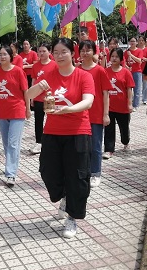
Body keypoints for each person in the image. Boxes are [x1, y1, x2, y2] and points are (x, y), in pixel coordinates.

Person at [26, 37, 95, 239]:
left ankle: (72, 217)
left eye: (63, 51)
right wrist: (39, 87)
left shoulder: (83, 76)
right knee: (48, 171)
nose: (59, 55)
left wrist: (69, 110)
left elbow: (88, 101)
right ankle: (64, 196)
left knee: (78, 177)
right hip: (52, 133)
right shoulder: (49, 75)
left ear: (72, 53)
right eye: (55, 52)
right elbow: (29, 94)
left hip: (78, 132)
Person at [0, 45, 30, 187]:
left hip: (17, 110)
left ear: (10, 56)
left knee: (13, 143)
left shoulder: (18, 71)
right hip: (2, 112)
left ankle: (11, 174)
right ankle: (11, 166)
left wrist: (27, 109)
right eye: (0, 54)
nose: (2, 57)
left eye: (5, 54)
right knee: (7, 144)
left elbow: (25, 91)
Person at [79, 40, 110, 188]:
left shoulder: (99, 70)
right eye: (82, 50)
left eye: (88, 50)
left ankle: (96, 173)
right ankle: (84, 171)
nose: (85, 53)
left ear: (94, 52)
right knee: (82, 146)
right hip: (79, 115)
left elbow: (105, 94)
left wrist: (106, 114)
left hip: (96, 114)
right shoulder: (77, 70)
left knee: (96, 146)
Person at [103, 48, 135, 159]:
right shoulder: (105, 72)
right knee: (109, 129)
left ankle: (126, 142)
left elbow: (129, 89)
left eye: (116, 56)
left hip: (123, 107)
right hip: (110, 107)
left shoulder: (126, 72)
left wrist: (130, 104)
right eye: (112, 56)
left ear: (121, 58)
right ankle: (108, 149)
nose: (114, 58)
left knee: (124, 128)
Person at [30, 42, 57, 154]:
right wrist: (32, 97)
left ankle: (53, 141)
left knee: (53, 120)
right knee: (38, 120)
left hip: (50, 98)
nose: (41, 53)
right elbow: (33, 80)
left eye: (43, 51)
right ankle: (39, 142)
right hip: (38, 98)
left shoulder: (55, 65)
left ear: (49, 52)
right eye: (39, 51)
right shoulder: (35, 66)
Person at [124, 37, 143, 109]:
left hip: (137, 72)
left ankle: (136, 105)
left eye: (134, 41)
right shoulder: (126, 52)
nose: (132, 43)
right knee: (128, 89)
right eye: (131, 41)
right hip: (128, 72)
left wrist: (131, 55)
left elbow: (139, 61)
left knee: (137, 89)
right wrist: (127, 67)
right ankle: (128, 103)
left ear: (136, 43)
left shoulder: (139, 51)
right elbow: (123, 61)